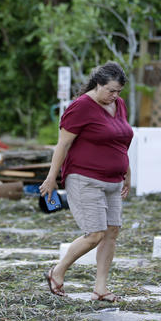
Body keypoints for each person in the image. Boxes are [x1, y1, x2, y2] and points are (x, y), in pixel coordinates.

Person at [40, 61, 133, 302]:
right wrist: (52, 178)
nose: (115, 96)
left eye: (119, 92)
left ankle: (100, 289)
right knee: (95, 233)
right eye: (110, 90)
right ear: (97, 84)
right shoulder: (80, 107)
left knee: (112, 232)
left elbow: (120, 141)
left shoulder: (118, 104)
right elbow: (63, 144)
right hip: (85, 178)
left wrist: (127, 172)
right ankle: (57, 271)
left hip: (113, 180)